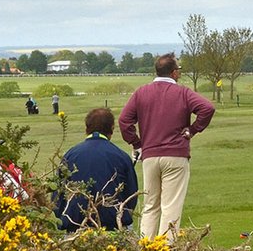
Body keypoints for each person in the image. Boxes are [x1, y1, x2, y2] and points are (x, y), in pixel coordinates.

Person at [119, 53, 215, 241]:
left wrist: (137, 143)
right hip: (176, 155)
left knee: (150, 205)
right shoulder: (183, 93)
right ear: (174, 73)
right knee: (170, 206)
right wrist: (193, 130)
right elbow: (207, 108)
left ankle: (145, 248)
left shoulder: (141, 92)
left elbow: (124, 121)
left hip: (150, 155)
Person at [53, 108, 138, 232]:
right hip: (113, 226)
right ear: (112, 129)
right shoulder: (121, 156)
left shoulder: (70, 155)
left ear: (87, 129)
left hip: (75, 225)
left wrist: (61, 217)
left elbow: (58, 196)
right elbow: (131, 196)